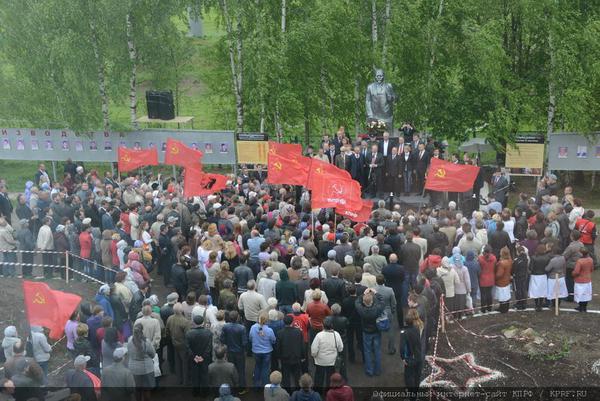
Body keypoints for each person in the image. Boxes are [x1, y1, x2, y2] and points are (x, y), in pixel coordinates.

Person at [354, 288, 384, 377]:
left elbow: (357, 302)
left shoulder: (361, 310)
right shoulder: (377, 308)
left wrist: (363, 294)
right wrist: (376, 293)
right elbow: (382, 300)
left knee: (367, 351)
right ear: (372, 301)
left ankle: (369, 370)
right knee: (377, 350)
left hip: (366, 332)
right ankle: (378, 370)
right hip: (376, 331)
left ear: (364, 302)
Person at [311, 318, 343, 390]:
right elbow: (340, 348)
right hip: (332, 361)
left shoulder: (319, 335)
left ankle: (318, 391)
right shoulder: (336, 334)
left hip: (320, 361)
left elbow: (314, 350)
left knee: (319, 376)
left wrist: (314, 356)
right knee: (330, 376)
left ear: (323, 325)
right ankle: (329, 391)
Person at [220, 310, 248, 392]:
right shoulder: (242, 328)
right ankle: (242, 388)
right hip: (239, 353)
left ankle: (232, 386)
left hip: (230, 352)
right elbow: (244, 342)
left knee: (231, 369)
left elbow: (222, 339)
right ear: (237, 318)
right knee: (241, 371)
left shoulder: (225, 327)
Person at [127, 323, 156, 401]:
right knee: (146, 390)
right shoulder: (146, 341)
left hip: (134, 369)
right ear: (142, 330)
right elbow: (153, 354)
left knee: (137, 390)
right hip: (146, 369)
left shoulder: (129, 340)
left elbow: (128, 352)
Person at [186, 315, 213, 396]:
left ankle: (196, 392)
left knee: (195, 374)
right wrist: (203, 356)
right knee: (204, 374)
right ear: (203, 323)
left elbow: (187, 347)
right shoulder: (208, 333)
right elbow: (209, 347)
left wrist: (194, 356)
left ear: (194, 323)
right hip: (205, 358)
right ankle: (205, 393)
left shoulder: (189, 333)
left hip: (193, 358)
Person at [165, 302, 191, 385]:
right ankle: (185, 381)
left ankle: (179, 379)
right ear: (181, 310)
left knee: (177, 362)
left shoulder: (170, 318)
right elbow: (188, 336)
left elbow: (167, 331)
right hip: (183, 345)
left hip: (174, 343)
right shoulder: (185, 321)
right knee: (185, 363)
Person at [399, 309, 424, 392]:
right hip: (418, 355)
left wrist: (403, 358)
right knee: (417, 376)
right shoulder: (418, 328)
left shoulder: (404, 333)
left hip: (409, 358)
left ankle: (411, 395)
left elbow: (402, 347)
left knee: (409, 377)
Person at [249, 313, 276, 388]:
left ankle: (256, 385)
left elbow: (250, 338)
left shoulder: (253, 327)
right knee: (265, 368)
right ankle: (265, 385)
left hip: (256, 351)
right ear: (267, 320)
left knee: (257, 366)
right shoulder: (269, 330)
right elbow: (273, 340)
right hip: (267, 352)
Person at [277, 315, 304, 389]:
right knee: (297, 375)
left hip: (285, 357)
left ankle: (287, 390)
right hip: (296, 356)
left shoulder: (280, 333)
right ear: (292, 322)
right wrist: (303, 356)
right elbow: (302, 346)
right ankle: (298, 389)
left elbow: (278, 347)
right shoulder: (298, 331)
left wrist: (279, 356)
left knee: (286, 375)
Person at [572, 247, 593, 312]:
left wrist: (572, 274)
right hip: (587, 279)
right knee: (586, 294)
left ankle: (580, 307)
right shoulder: (590, 259)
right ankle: (584, 307)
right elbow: (592, 269)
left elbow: (576, 272)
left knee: (580, 294)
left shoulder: (580, 261)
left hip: (580, 280)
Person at [478, 246, 496, 313]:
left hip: (483, 279)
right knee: (489, 294)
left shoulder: (480, 259)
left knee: (483, 295)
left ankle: (483, 309)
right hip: (491, 278)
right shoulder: (494, 258)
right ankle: (489, 308)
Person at [495, 247, 513, 313]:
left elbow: (499, 274)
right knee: (506, 295)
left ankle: (502, 309)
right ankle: (506, 308)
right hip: (507, 280)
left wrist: (495, 278)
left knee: (502, 296)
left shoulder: (502, 263)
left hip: (501, 282)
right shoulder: (510, 261)